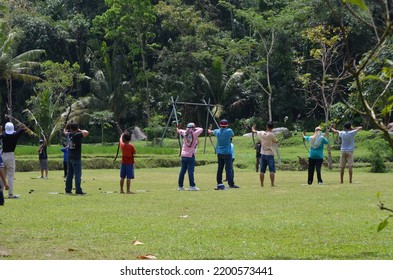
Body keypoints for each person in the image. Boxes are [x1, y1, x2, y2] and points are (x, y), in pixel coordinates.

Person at [208, 119, 239, 190]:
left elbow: (211, 131)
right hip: (227, 152)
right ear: (227, 125)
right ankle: (231, 184)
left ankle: (219, 183)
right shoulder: (229, 131)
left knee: (220, 169)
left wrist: (209, 130)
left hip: (219, 153)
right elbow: (232, 135)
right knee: (229, 169)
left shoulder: (217, 131)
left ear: (220, 125)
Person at [0, 122, 26, 198]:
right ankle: (10, 194)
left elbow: (2, 134)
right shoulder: (15, 135)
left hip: (3, 155)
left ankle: (0, 193)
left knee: (2, 176)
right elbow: (23, 129)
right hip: (10, 156)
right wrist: (22, 125)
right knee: (10, 176)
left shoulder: (3, 135)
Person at [63, 122, 89, 195]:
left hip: (69, 156)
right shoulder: (77, 134)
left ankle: (68, 189)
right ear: (77, 128)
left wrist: (66, 127)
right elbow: (86, 132)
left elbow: (64, 131)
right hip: (76, 157)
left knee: (69, 174)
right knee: (77, 174)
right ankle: (78, 190)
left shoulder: (69, 134)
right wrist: (79, 130)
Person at [177, 123, 203, 191]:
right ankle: (192, 186)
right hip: (190, 155)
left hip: (183, 155)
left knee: (182, 171)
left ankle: (180, 186)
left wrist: (178, 128)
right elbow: (201, 129)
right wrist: (194, 128)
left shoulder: (185, 133)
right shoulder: (194, 134)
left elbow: (179, 130)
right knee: (190, 171)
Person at [252, 121, 277, 187]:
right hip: (270, 154)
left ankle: (262, 184)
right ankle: (272, 184)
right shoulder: (272, 134)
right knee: (272, 170)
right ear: (272, 128)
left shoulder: (262, 133)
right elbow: (275, 141)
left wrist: (253, 127)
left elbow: (254, 131)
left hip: (263, 153)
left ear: (266, 126)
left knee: (262, 170)